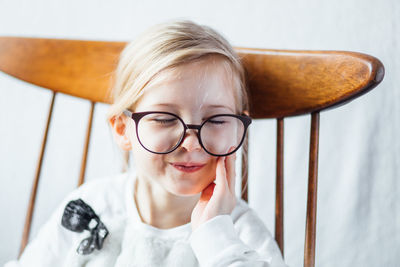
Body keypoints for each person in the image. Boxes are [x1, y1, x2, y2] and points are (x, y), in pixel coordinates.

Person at [5, 20, 287, 267]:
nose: (190, 144)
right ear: (122, 128)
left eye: (216, 120)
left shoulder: (238, 234)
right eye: (164, 119)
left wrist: (215, 234)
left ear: (240, 129)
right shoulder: (95, 204)